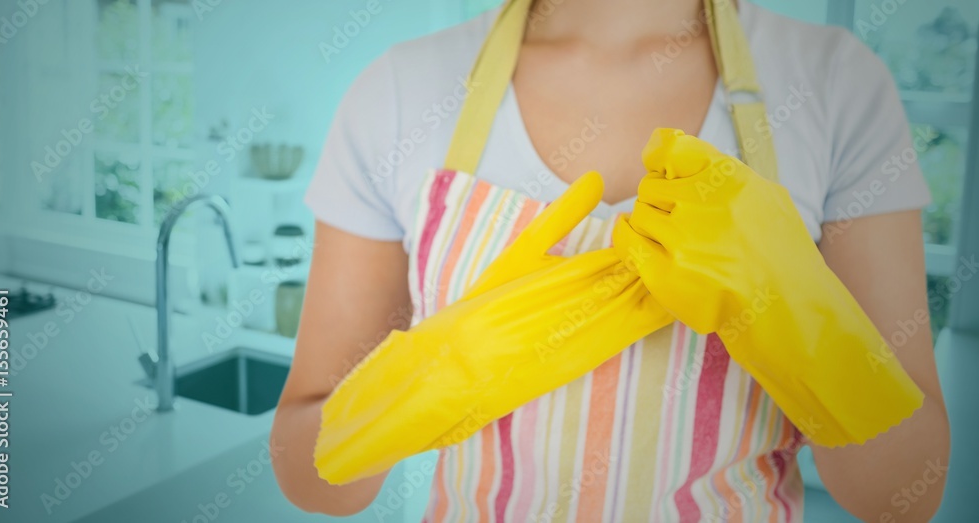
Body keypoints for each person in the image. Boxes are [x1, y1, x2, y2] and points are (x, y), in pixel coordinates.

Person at [270, 0, 951, 521]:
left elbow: (903, 494)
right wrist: (417, 379)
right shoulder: (401, 91)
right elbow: (309, 474)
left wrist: (798, 320)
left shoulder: (833, 84)